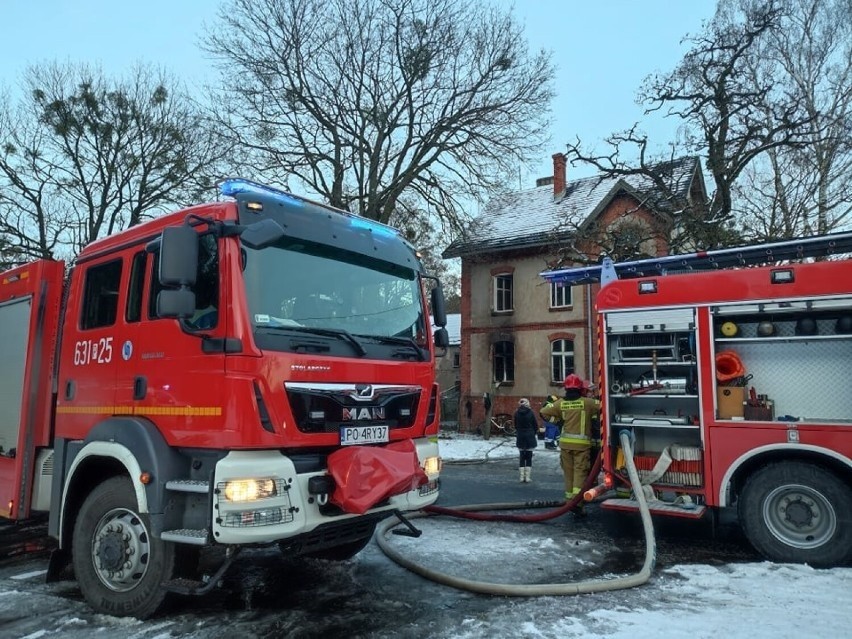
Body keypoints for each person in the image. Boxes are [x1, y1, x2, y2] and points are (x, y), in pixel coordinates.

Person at [540, 374, 601, 504]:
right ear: (580, 389)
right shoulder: (587, 403)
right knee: (580, 473)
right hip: (581, 446)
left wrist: (557, 421)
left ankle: (569, 500)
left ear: (566, 388)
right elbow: (603, 405)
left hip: (565, 445)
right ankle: (577, 503)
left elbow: (543, 412)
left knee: (568, 474)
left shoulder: (560, 403)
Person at [513, 398, 538, 483]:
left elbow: (515, 425)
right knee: (529, 457)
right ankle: (527, 477)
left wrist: (520, 431)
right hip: (530, 436)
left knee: (522, 457)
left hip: (520, 436)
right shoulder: (531, 413)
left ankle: (521, 477)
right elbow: (535, 425)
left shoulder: (516, 413)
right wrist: (533, 433)